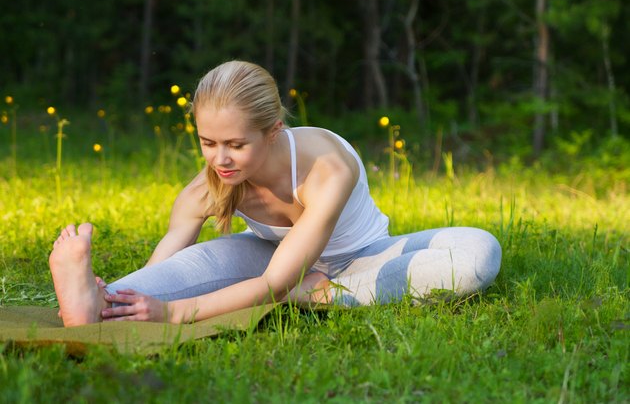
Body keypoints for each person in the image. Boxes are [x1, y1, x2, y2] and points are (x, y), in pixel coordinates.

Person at [49, 60, 502, 327]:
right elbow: (166, 265)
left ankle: (314, 295)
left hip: (362, 259)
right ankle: (97, 304)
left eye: (235, 145)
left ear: (272, 132)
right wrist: (141, 299)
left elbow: (274, 283)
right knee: (179, 275)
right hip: (268, 253)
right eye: (208, 143)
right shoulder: (206, 187)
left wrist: (172, 314)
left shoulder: (328, 167)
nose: (219, 159)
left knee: (479, 253)